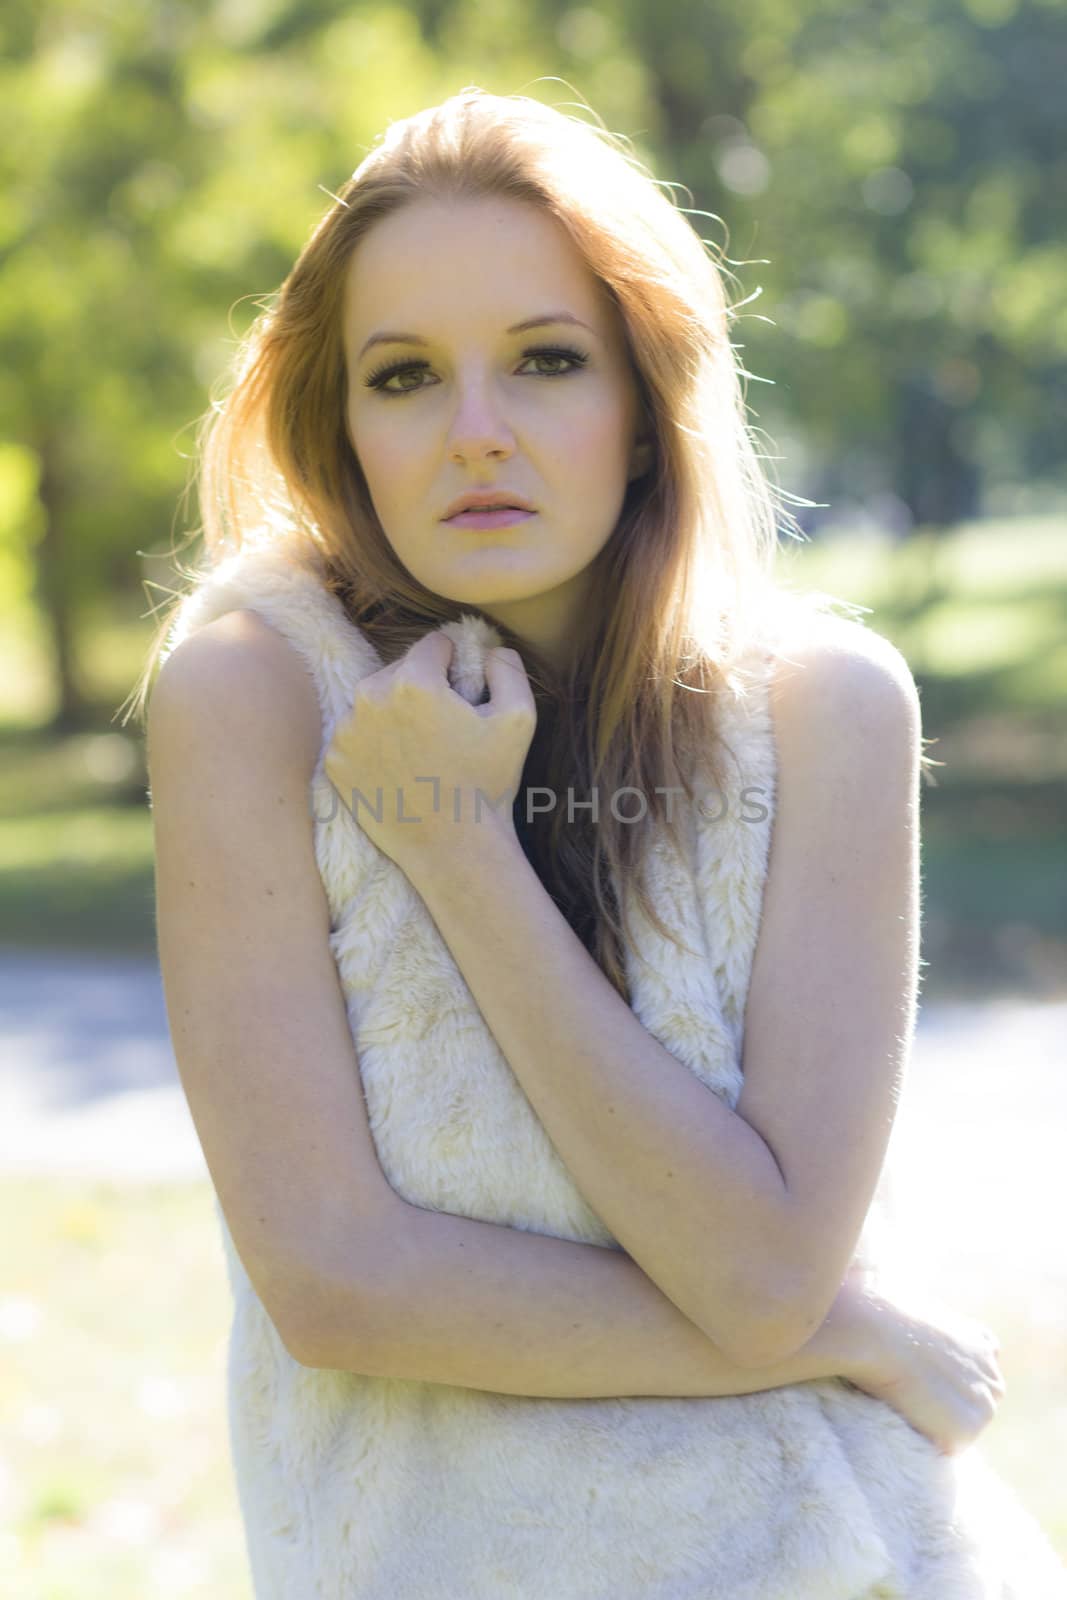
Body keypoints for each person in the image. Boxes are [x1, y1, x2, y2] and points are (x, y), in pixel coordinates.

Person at [127, 87, 1066, 1598]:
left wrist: (459, 852)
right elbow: (337, 1285)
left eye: (548, 362)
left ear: (644, 404)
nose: (475, 435)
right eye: (406, 375)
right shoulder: (251, 694)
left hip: (857, 1551)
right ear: (341, 419)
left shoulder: (828, 708)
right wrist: (846, 1328)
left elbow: (761, 1263)